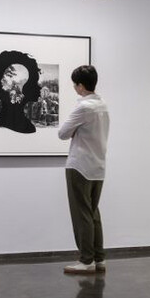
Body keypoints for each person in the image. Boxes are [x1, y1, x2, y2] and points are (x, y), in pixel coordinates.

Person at [58, 65, 110, 275]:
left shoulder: (84, 107)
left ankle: (86, 260)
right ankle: (99, 259)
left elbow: (62, 133)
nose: (74, 88)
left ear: (80, 86)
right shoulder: (103, 105)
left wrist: (74, 131)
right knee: (93, 213)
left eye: (75, 84)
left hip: (79, 166)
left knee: (82, 215)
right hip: (98, 166)